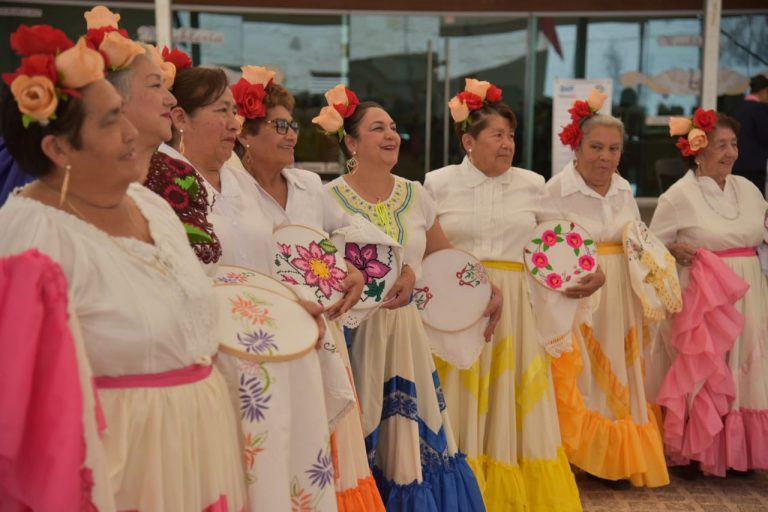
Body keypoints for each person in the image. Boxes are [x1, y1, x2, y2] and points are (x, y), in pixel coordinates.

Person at [0, 25, 247, 510]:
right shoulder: (33, 239)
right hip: (120, 477)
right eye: (111, 120)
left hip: (195, 466)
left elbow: (189, 315)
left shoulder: (150, 206)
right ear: (57, 149)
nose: (131, 131)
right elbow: (24, 418)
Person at [162, 64, 358, 511]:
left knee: (280, 472)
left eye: (234, 111)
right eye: (220, 111)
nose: (233, 122)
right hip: (213, 353)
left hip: (273, 348)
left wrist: (337, 268)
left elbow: (282, 253)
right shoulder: (165, 178)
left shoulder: (239, 181)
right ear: (181, 118)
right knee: (229, 473)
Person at [317, 88, 501, 511]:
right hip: (351, 335)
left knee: (410, 442)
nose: (391, 135)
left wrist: (486, 286)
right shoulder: (326, 199)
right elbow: (316, 264)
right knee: (356, 432)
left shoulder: (416, 195)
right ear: (351, 142)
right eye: (377, 128)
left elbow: (444, 258)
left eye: (394, 128)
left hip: (406, 335)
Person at [424, 79, 583, 511]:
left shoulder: (533, 184)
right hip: (456, 303)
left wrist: (587, 272)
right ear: (468, 141)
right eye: (497, 135)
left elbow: (557, 243)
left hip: (513, 307)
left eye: (511, 136)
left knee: (510, 402)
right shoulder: (437, 183)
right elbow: (423, 244)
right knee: (457, 394)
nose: (508, 144)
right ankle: (457, 491)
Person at [232, 66, 384, 510]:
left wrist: (352, 268)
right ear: (245, 134)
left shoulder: (308, 185)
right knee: (277, 440)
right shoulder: (230, 189)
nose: (291, 135)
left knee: (326, 447)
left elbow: (351, 229)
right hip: (264, 335)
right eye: (279, 126)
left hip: (321, 332)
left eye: (293, 126)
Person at [544, 90, 669, 489]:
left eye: (614, 149)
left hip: (622, 295)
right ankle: (579, 454)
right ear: (577, 147)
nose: (605, 156)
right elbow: (546, 247)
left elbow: (636, 239)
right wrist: (583, 273)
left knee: (620, 369)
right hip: (577, 293)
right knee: (581, 372)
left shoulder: (623, 189)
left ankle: (614, 459)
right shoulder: (554, 191)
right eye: (596, 147)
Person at [651, 109, 768, 477]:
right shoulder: (677, 196)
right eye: (721, 145)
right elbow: (650, 245)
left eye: (733, 144)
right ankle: (696, 450)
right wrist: (672, 250)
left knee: (745, 365)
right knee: (706, 367)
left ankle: (739, 452)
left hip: (747, 289)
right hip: (703, 295)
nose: (730, 153)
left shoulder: (748, 189)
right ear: (697, 151)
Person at [733, 74, 768, 196]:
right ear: (765, 90)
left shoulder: (739, 108)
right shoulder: (761, 109)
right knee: (755, 202)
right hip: (754, 167)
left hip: (736, 164)